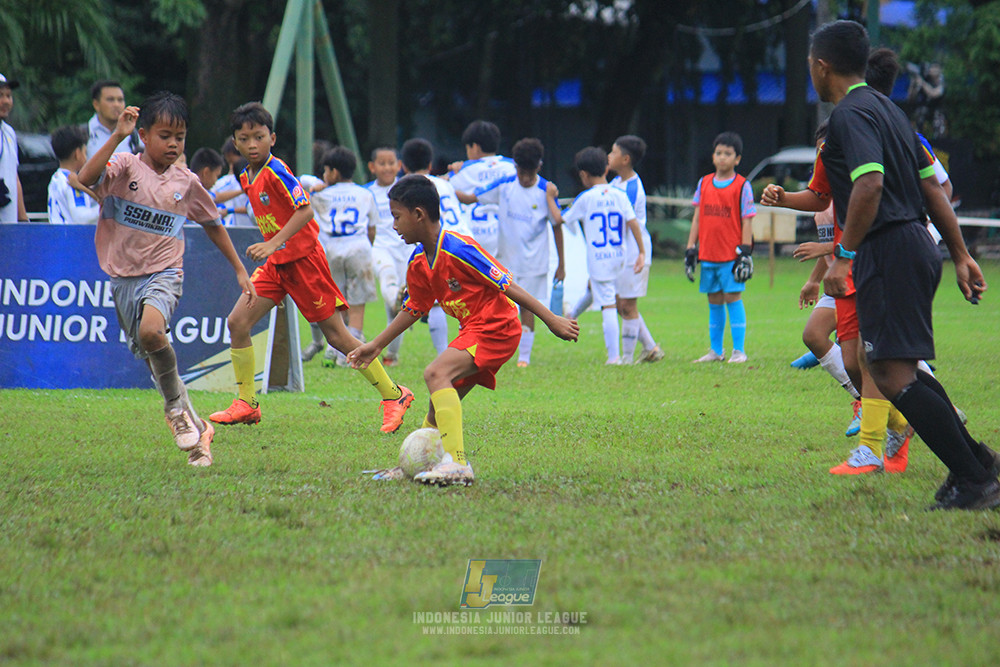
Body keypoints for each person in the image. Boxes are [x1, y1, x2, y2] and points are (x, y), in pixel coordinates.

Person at [808, 20, 998, 508]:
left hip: (887, 246)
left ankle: (975, 477)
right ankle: (978, 466)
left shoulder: (850, 114)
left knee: (891, 374)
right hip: (915, 242)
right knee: (899, 367)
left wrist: (842, 257)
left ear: (822, 65)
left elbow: (869, 185)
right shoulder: (890, 110)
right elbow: (932, 187)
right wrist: (959, 254)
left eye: (811, 64)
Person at [347, 174, 579, 486]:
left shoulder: (460, 248)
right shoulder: (418, 261)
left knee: (434, 374)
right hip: (474, 329)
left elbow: (507, 285)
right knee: (439, 401)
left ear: (419, 214)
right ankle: (414, 465)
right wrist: (376, 345)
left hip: (498, 328)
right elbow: (414, 307)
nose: (394, 226)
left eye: (397, 217)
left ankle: (457, 464)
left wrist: (551, 319)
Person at [209, 102, 414, 434]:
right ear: (235, 141)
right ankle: (247, 403)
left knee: (338, 337)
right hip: (277, 266)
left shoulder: (278, 170)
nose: (252, 145)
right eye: (244, 139)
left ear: (272, 138)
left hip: (303, 262)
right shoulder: (248, 174)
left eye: (258, 137)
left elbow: (303, 211)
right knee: (237, 322)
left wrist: (273, 243)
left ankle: (395, 395)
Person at [76, 92, 256, 467]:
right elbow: (85, 177)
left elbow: (213, 224)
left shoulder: (187, 182)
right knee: (158, 365)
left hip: (165, 273)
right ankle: (198, 434)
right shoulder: (124, 165)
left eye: (181, 136)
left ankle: (175, 410)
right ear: (143, 135)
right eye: (165, 135)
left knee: (152, 333)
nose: (174, 143)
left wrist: (239, 269)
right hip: (123, 279)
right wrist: (115, 136)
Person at [454, 137, 565, 367]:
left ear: (539, 167)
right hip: (505, 260)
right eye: (521, 172)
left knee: (527, 307)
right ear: (515, 167)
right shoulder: (504, 184)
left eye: (529, 173)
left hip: (535, 260)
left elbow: (557, 222)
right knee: (495, 305)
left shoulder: (546, 189)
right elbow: (468, 198)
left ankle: (523, 358)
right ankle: (486, 351)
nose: (524, 178)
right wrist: (446, 183)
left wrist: (561, 264)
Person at [549, 147, 644, 365]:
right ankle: (572, 316)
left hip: (600, 259)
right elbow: (633, 223)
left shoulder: (585, 198)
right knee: (600, 292)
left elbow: (560, 219)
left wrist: (551, 199)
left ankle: (614, 357)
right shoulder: (619, 194)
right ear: (606, 168)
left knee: (608, 305)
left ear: (583, 174)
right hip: (620, 256)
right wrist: (641, 251)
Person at [299, 146, 379, 368]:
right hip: (359, 247)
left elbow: (299, 185)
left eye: (326, 171)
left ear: (333, 172)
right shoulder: (366, 193)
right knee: (358, 299)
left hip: (330, 249)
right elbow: (372, 228)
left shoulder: (320, 194)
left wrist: (315, 188)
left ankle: (335, 348)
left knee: (336, 299)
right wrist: (367, 246)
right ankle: (351, 349)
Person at [685, 132, 755, 364]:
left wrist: (744, 251)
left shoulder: (742, 185)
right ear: (713, 156)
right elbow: (697, 217)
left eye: (728, 154)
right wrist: (690, 247)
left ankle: (739, 351)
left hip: (730, 255)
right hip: (708, 254)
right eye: (719, 153)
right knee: (714, 300)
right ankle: (716, 351)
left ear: (737, 159)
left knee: (733, 297)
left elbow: (747, 219)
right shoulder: (703, 183)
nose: (722, 157)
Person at [400, 137, 472, 354]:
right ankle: (468, 348)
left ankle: (446, 355)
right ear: (430, 165)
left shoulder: (406, 190)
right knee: (468, 302)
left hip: (442, 247)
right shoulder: (445, 184)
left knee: (436, 304)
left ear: (403, 166)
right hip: (465, 243)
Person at [609, 135, 664, 363]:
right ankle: (651, 348)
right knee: (623, 304)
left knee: (627, 306)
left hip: (634, 253)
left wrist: (641, 253)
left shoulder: (632, 187)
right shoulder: (615, 184)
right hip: (623, 253)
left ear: (625, 159)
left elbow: (628, 222)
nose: (608, 156)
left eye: (613, 152)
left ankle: (627, 359)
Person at [446, 120, 516, 257]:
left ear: (475, 147)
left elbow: (439, 184)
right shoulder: (513, 167)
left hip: (475, 238)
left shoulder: (464, 170)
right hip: (505, 237)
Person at [365, 146, 408, 366]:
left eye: (392, 163)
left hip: (405, 248)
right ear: (372, 167)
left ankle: (392, 355)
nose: (387, 167)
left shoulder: (406, 189)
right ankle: (395, 300)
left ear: (399, 165)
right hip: (380, 248)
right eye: (382, 163)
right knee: (388, 277)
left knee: (397, 310)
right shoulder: (367, 193)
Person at [47, 124, 100, 224]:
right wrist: (104, 210)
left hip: (56, 235)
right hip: (71, 237)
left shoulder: (55, 178)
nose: (86, 157)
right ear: (77, 153)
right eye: (85, 152)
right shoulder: (73, 182)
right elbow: (81, 218)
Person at [86, 80, 142, 158]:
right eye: (110, 99)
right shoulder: (85, 134)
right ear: (96, 104)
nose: (116, 105)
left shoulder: (133, 135)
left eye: (120, 100)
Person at [0, 72, 27, 223]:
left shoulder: (8, 132)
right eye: (0, 95)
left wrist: (22, 219)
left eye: (8, 96)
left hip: (8, 223)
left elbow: (13, 176)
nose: (6, 101)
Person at [189, 147, 242, 220]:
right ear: (206, 173)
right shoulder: (199, 194)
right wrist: (242, 191)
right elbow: (217, 197)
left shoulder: (191, 188)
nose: (216, 181)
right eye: (216, 176)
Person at [212, 138, 253, 227]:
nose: (231, 167)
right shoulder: (228, 180)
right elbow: (215, 196)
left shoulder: (254, 177)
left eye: (232, 163)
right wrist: (243, 190)